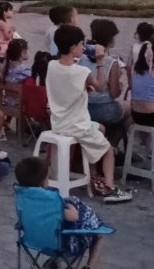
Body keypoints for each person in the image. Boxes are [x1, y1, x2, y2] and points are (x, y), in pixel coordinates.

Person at [47, 26, 133, 205]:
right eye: (81, 44)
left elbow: (66, 83)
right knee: (108, 150)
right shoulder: (81, 72)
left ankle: (93, 176)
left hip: (58, 122)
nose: (84, 47)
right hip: (76, 124)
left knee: (100, 128)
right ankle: (110, 188)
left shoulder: (52, 65)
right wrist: (100, 62)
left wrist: (82, 88)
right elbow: (100, 86)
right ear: (73, 48)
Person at [14, 155, 107, 269]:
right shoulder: (51, 201)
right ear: (42, 182)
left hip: (32, 240)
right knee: (99, 234)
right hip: (58, 244)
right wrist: (74, 210)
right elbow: (73, 217)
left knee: (58, 228)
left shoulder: (22, 197)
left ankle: (52, 265)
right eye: (47, 178)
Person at [0, 39, 32, 134]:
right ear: (22, 53)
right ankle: (25, 126)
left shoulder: (5, 68)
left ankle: (8, 121)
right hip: (19, 103)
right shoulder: (25, 71)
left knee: (14, 95)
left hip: (7, 101)